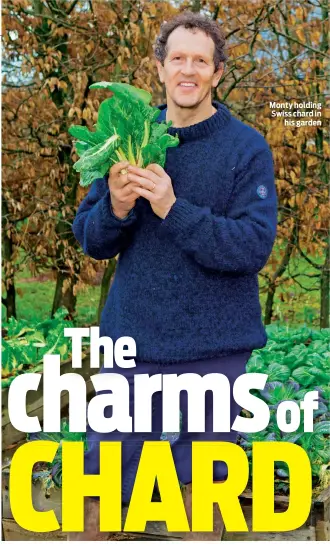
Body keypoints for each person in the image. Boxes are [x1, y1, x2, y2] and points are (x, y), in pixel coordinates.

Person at [69, 10, 277, 541]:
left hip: (216, 347)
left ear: (217, 72)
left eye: (201, 60)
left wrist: (172, 207)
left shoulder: (246, 147)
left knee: (205, 479)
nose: (188, 69)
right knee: (103, 473)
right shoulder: (129, 137)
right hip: (134, 339)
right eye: (177, 58)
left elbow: (251, 247)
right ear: (159, 67)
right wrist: (115, 208)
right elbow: (91, 241)